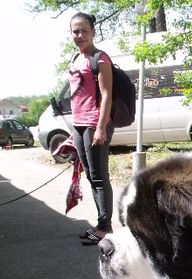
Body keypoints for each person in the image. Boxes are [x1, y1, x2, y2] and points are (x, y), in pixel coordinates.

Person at [68, 12, 115, 246]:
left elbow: (106, 94)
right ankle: (100, 225)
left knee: (99, 177)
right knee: (90, 176)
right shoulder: (76, 58)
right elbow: (78, 96)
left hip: (95, 123)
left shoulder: (100, 58)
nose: (80, 35)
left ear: (93, 32)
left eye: (84, 31)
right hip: (78, 124)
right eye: (75, 31)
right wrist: (72, 130)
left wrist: (100, 128)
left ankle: (105, 228)